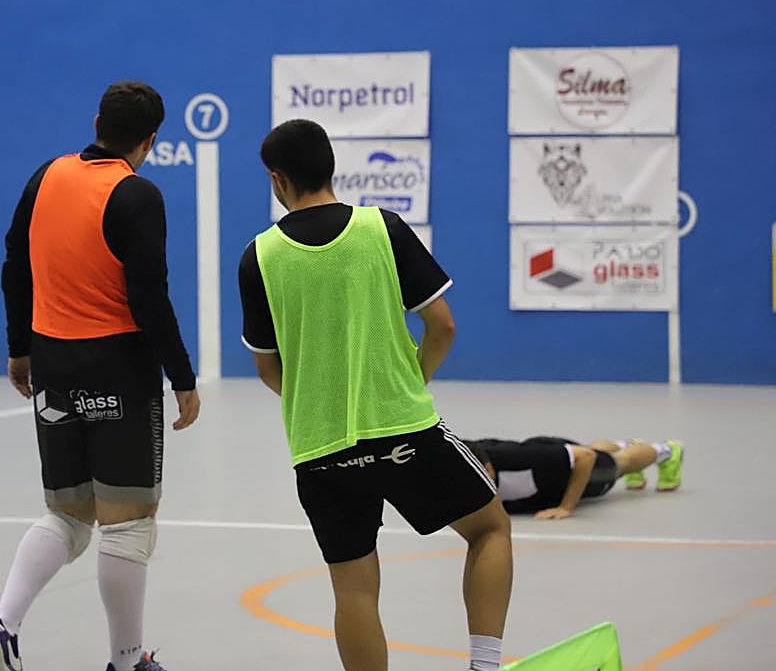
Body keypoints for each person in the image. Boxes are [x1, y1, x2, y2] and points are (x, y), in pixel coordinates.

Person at [238, 119, 512, 671]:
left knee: (355, 589)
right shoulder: (382, 229)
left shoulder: (259, 257)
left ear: (276, 179)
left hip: (320, 449)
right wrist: (410, 379)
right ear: (330, 166)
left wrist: (315, 396)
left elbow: (268, 369)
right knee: (489, 529)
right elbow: (443, 326)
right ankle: (485, 665)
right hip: (403, 429)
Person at [0, 81, 199, 671]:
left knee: (68, 516)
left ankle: (3, 624)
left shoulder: (46, 175)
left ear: (97, 120)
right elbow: (150, 296)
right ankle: (127, 663)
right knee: (128, 526)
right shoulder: (136, 195)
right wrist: (182, 376)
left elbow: (14, 264)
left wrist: (18, 349)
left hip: (52, 364)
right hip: (119, 370)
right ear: (150, 141)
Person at [463, 437, 684, 519]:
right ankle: (628, 444)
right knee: (596, 453)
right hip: (556, 464)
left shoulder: (519, 459)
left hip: (569, 472)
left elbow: (584, 458)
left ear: (489, 468)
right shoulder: (458, 467)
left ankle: (666, 451)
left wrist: (566, 507)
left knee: (615, 465)